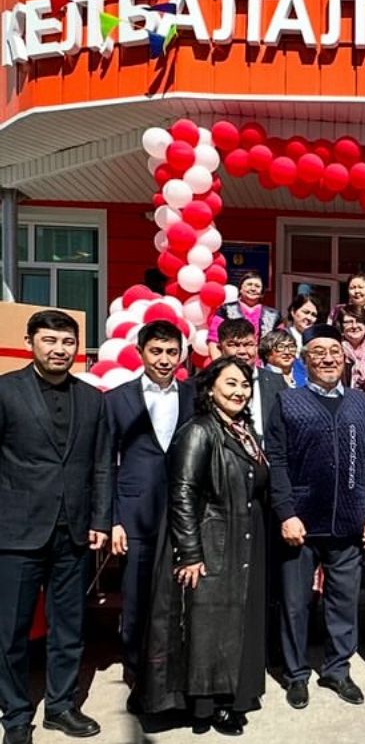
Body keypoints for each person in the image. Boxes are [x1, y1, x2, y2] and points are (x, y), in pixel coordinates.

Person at [136, 356, 268, 736]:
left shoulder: (243, 430)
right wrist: (190, 553)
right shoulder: (199, 430)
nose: (239, 392)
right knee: (209, 625)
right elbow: (182, 493)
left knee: (234, 621)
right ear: (210, 389)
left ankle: (232, 696)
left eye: (245, 384)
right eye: (231, 383)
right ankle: (208, 707)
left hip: (245, 535)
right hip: (212, 540)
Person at [0, 310, 112, 744]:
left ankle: (61, 707)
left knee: (69, 628)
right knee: (10, 631)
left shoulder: (93, 399)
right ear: (30, 342)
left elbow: (102, 465)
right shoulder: (6, 390)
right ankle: (15, 715)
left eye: (67, 342)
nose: (59, 350)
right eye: (49, 340)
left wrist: (100, 519)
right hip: (16, 531)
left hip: (75, 532)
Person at [267, 324, 365, 710]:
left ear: (345, 358)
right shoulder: (288, 402)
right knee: (295, 603)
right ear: (305, 360)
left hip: (350, 521)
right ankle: (296, 673)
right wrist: (286, 512)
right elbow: (276, 461)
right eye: (318, 352)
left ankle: (337, 669)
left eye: (334, 352)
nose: (328, 359)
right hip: (300, 524)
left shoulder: (361, 403)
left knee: (343, 602)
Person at [106, 321, 195, 695]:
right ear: (140, 352)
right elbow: (106, 463)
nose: (164, 359)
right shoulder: (117, 399)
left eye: (172, 352)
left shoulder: (194, 395)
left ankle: (176, 670)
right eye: (156, 351)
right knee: (138, 597)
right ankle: (136, 671)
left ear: (181, 355)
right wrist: (113, 520)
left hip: (184, 514)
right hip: (135, 513)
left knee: (183, 596)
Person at [218, 318, 285, 445]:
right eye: (234, 345)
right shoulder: (207, 384)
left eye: (248, 344)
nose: (242, 351)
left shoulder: (277, 382)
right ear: (220, 348)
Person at [207, 271, 280, 359]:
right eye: (249, 284)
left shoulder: (273, 315)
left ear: (262, 293)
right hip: (231, 362)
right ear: (240, 289)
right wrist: (219, 364)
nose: (253, 288)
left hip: (262, 364)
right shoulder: (225, 310)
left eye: (257, 286)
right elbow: (213, 340)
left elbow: (280, 342)